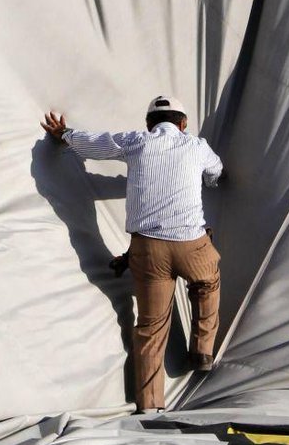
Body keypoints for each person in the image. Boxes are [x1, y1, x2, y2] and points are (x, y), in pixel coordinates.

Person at [41, 95, 223, 413]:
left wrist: (65, 134)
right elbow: (216, 172)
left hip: (148, 250)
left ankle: (150, 406)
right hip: (191, 245)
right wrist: (209, 180)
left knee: (150, 326)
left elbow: (95, 144)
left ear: (149, 124)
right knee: (207, 283)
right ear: (183, 124)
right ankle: (202, 351)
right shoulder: (197, 146)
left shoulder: (136, 141)